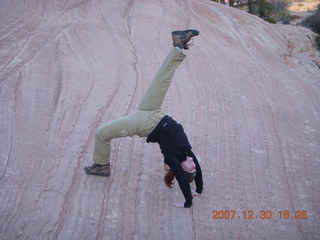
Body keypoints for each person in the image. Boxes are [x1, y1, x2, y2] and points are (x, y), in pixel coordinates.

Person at [85, 30, 203, 208]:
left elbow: (180, 177)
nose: (193, 163)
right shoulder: (187, 152)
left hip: (145, 124)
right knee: (162, 79)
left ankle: (101, 166)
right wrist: (199, 188)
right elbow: (198, 170)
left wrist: (188, 201)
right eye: (193, 165)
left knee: (102, 133)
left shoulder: (172, 158)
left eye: (190, 167)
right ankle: (178, 45)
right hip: (154, 111)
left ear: (181, 167)